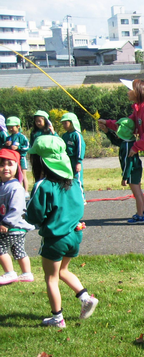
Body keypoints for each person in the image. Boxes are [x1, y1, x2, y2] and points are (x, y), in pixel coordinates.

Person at [24, 135, 98, 329]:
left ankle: (57, 318)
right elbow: (79, 207)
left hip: (55, 239)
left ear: (40, 161)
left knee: (51, 278)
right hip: (74, 236)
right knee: (63, 270)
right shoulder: (74, 183)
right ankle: (86, 298)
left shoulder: (43, 186)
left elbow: (34, 215)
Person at [99, 78, 144, 223]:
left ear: (138, 91)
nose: (128, 92)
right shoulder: (139, 108)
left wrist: (135, 147)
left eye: (130, 89)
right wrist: (107, 124)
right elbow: (127, 126)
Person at [101, 117, 144, 224]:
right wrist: (106, 131)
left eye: (118, 127)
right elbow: (116, 141)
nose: (116, 129)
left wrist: (125, 177)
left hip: (132, 172)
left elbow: (127, 163)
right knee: (139, 192)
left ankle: (140, 216)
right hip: (136, 170)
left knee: (137, 193)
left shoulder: (126, 146)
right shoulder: (128, 141)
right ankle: (142, 211)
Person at [0, 148, 34, 285]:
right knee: (18, 250)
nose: (5, 168)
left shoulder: (15, 187)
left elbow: (17, 208)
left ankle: (9, 273)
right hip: (14, 228)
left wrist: (6, 223)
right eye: (2, 164)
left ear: (17, 167)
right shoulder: (3, 186)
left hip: (13, 227)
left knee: (0, 248)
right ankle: (27, 274)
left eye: (10, 164)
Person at [60, 113, 86, 200]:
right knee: (67, 179)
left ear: (72, 123)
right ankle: (70, 198)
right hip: (66, 160)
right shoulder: (65, 135)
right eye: (62, 123)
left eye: (65, 123)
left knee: (77, 179)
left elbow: (80, 148)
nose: (64, 125)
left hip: (75, 160)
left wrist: (79, 161)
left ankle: (81, 198)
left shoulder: (77, 135)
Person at [5, 116, 30, 192]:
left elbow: (28, 147)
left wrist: (18, 147)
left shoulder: (22, 137)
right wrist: (6, 145)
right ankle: (17, 191)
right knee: (15, 175)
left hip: (21, 158)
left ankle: (25, 192)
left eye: (12, 127)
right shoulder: (8, 137)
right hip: (12, 159)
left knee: (23, 175)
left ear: (18, 126)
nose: (10, 129)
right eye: (9, 127)